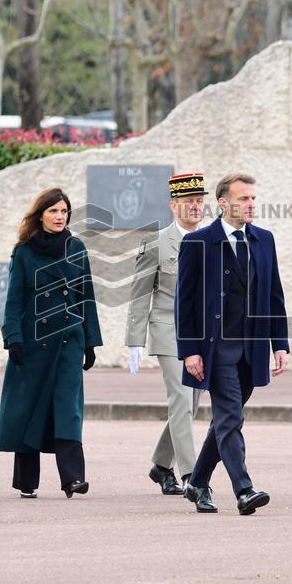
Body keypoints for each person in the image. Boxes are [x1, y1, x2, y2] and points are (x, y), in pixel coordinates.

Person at [175, 173, 289, 515]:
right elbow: (185, 300)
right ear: (223, 203)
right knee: (230, 419)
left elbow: (274, 295)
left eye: (253, 198)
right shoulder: (199, 242)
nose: (250, 204)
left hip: (251, 348)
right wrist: (189, 349)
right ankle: (244, 489)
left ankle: (196, 482)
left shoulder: (264, 240)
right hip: (215, 348)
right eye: (243, 199)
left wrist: (279, 343)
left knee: (226, 419)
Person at [0, 188, 103, 498]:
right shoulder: (24, 252)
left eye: (64, 212)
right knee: (29, 409)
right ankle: (27, 482)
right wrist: (13, 339)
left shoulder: (77, 248)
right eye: (53, 211)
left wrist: (90, 342)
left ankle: (73, 478)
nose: (59, 217)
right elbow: (13, 302)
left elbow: (87, 298)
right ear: (40, 214)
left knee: (68, 408)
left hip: (69, 340)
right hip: (33, 343)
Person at [125, 173, 207, 495]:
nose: (195, 208)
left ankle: (161, 466)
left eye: (199, 202)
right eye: (189, 203)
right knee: (182, 400)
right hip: (167, 331)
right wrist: (135, 340)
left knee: (191, 404)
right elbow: (139, 293)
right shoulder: (157, 243)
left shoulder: (212, 241)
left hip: (201, 336)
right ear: (174, 206)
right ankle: (192, 476)